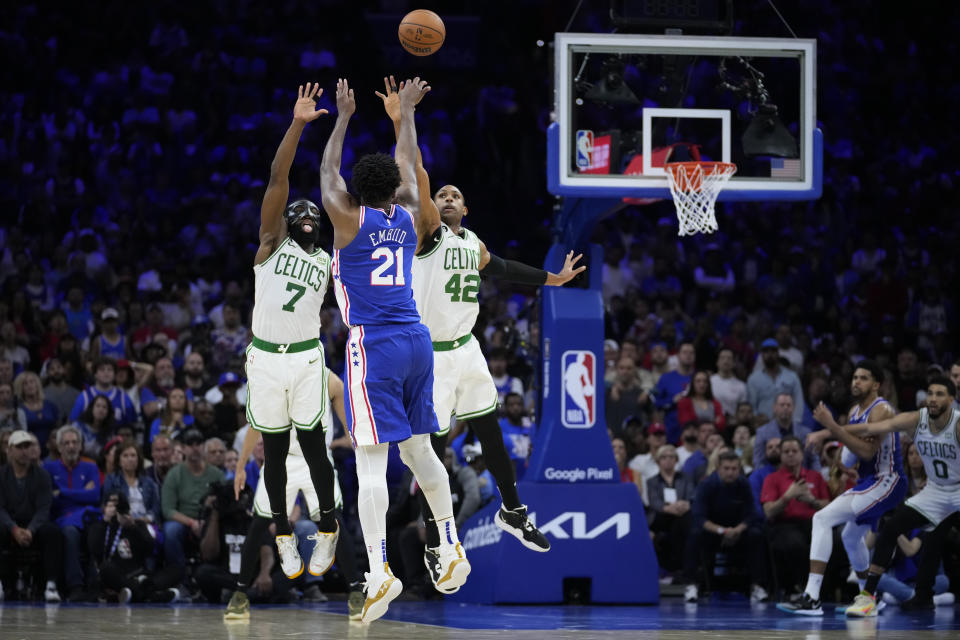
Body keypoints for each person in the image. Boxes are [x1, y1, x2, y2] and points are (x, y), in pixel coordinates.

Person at [374, 76, 583, 563]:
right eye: (441, 194)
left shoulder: (474, 244)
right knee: (435, 450)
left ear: (465, 209)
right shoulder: (426, 233)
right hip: (431, 356)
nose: (445, 197)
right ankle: (433, 544)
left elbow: (505, 269)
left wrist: (551, 279)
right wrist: (405, 117)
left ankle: (512, 510)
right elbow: (413, 170)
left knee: (489, 429)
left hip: (467, 349)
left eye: (454, 195)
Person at [320, 76, 469, 622]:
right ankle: (450, 544)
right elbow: (411, 168)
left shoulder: (345, 219)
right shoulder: (409, 216)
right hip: (417, 341)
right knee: (421, 450)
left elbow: (326, 174)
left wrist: (341, 118)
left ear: (357, 192)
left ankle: (380, 569)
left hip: (375, 346)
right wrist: (403, 114)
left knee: (370, 461)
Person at [244, 83, 340, 582]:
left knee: (314, 447)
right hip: (264, 357)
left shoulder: (327, 260)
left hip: (305, 356)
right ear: (286, 221)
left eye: (313, 214)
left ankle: (328, 526)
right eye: (298, 212)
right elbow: (278, 176)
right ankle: (283, 535)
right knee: (275, 454)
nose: (307, 217)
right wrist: (299, 124)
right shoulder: (269, 244)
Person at [812, 376, 960, 616]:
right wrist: (828, 431)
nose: (933, 399)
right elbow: (869, 428)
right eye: (930, 393)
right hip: (935, 491)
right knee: (890, 530)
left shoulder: (957, 425)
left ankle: (922, 594)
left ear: (951, 400)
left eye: (940, 394)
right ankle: (868, 598)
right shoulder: (915, 420)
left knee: (936, 543)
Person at [226, 368, 364, 621]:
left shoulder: (325, 376)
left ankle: (355, 591)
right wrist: (240, 465)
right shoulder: (272, 375)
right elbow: (255, 423)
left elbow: (344, 409)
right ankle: (240, 593)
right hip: (282, 460)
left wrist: (350, 437)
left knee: (334, 521)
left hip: (318, 458)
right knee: (258, 524)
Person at [781, 361, 906, 615]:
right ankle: (869, 599)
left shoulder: (882, 410)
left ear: (876, 384)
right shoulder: (853, 412)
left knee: (822, 518)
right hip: (870, 481)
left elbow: (869, 451)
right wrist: (840, 464)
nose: (856, 382)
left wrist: (830, 428)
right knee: (850, 537)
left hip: (888, 481)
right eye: (854, 377)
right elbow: (852, 453)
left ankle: (812, 597)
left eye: (863, 378)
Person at [682, 450, 767, 603]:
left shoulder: (743, 484)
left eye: (734, 469)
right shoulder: (706, 484)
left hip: (737, 532)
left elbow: (751, 514)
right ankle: (691, 584)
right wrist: (722, 531)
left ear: (739, 468)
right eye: (726, 468)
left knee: (757, 534)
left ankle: (757, 585)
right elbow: (699, 517)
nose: (730, 472)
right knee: (695, 534)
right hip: (713, 532)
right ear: (718, 468)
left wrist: (737, 530)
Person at [760, 436, 831, 598]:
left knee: (833, 541)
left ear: (802, 454)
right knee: (794, 543)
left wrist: (811, 500)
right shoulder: (772, 479)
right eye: (786, 451)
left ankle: (827, 591)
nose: (790, 454)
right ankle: (799, 588)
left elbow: (828, 506)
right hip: (784, 524)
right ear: (781, 455)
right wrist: (787, 497)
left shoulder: (815, 477)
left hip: (814, 523)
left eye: (794, 451)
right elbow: (768, 511)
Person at [0, 430, 63, 602]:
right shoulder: (1, 475)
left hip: (33, 524)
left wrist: (30, 531)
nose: (24, 451)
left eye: (27, 446)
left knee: (53, 532)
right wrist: (13, 528)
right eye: (19, 447)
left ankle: (51, 584)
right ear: (10, 450)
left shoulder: (42, 475)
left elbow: (44, 508)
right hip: (8, 524)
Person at [43, 425, 102, 600]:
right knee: (70, 532)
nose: (71, 446)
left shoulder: (90, 467)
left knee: (97, 530)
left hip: (88, 515)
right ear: (59, 447)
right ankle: (75, 585)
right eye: (66, 443)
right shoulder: (49, 468)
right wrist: (82, 493)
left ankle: (96, 584)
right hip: (63, 518)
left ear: (81, 445)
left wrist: (63, 492)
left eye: (75, 442)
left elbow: (95, 495)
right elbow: (51, 500)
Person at [161, 428, 225, 571]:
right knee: (170, 530)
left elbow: (226, 502)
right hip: (185, 521)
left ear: (203, 447)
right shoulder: (174, 474)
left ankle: (222, 572)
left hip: (212, 520)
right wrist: (191, 523)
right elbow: (168, 510)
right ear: (183, 448)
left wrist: (209, 521)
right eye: (190, 444)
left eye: (199, 444)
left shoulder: (217, 474)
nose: (195, 448)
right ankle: (180, 576)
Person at [646, 444, 695, 576]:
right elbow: (654, 502)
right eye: (664, 457)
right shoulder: (652, 481)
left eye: (671, 457)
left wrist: (683, 505)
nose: (668, 460)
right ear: (658, 461)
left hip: (682, 515)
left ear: (676, 460)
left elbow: (691, 497)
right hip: (661, 517)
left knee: (685, 521)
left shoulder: (686, 478)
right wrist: (671, 508)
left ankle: (683, 570)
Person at [102, 440, 162, 527]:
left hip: (145, 523)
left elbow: (156, 510)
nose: (130, 459)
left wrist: (143, 519)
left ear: (138, 459)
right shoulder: (111, 480)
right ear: (119, 461)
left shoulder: (149, 482)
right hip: (120, 523)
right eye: (125, 456)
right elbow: (105, 505)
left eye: (133, 455)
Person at [753, 393, 819, 472]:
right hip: (772, 478)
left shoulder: (806, 432)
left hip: (802, 476)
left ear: (793, 408)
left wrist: (815, 478)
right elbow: (758, 461)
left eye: (788, 405)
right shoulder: (762, 432)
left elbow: (814, 459)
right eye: (782, 405)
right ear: (775, 408)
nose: (785, 408)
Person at [747, 339, 805, 424]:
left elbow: (798, 401)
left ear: (778, 353)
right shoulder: (753, 379)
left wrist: (795, 422)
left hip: (788, 424)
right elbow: (751, 405)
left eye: (773, 351)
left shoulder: (792, 376)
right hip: (762, 425)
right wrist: (756, 419)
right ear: (762, 355)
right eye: (766, 351)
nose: (770, 354)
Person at [711, 348, 747, 418]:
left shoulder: (741, 386)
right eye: (722, 358)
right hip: (710, 424)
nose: (726, 361)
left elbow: (743, 409)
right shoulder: (709, 382)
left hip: (732, 423)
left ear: (734, 363)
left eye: (729, 358)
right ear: (717, 362)